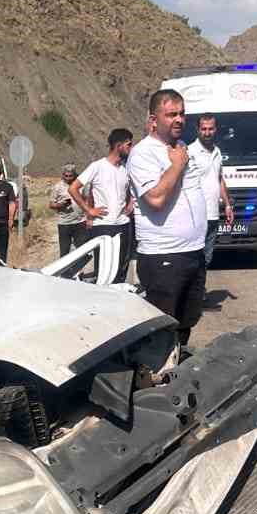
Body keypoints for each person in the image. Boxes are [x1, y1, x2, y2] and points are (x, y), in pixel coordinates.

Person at [126, 89, 208, 346]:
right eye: (171, 114)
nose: (179, 119)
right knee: (162, 328)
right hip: (164, 256)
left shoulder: (181, 148)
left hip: (193, 251)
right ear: (153, 119)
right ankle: (155, 379)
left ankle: (177, 369)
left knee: (186, 321)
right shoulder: (143, 153)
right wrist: (176, 166)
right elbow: (156, 199)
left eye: (182, 114)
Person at [68, 128, 135, 283]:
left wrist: (130, 202)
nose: (131, 148)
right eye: (129, 144)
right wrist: (89, 210)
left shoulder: (125, 170)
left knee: (120, 271)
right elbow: (73, 188)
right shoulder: (97, 166)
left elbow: (129, 192)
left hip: (123, 225)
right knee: (104, 272)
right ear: (118, 146)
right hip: (103, 226)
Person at [190, 114, 235, 266]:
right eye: (204, 129)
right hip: (195, 216)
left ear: (215, 130)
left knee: (207, 258)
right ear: (198, 130)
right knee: (193, 259)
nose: (207, 132)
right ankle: (192, 290)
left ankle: (199, 289)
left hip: (213, 215)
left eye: (210, 129)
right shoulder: (190, 152)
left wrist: (227, 205)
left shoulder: (217, 152)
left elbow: (219, 179)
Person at [49, 161, 86, 256]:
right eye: (66, 176)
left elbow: (87, 199)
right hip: (64, 223)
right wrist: (60, 205)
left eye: (71, 176)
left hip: (80, 222)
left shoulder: (81, 185)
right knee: (64, 252)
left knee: (81, 251)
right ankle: (65, 271)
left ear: (74, 175)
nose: (68, 178)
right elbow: (51, 204)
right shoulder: (58, 187)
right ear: (63, 175)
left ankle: (79, 270)